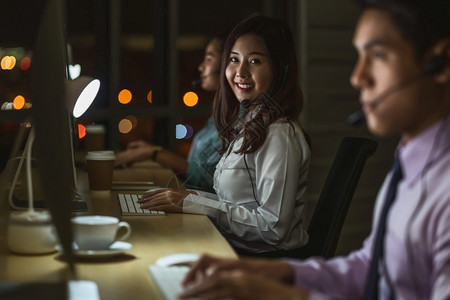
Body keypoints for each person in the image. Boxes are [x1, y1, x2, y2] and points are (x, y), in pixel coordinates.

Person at [178, 0, 450, 299]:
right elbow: (370, 267)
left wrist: (284, 295)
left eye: (378, 55)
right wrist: (281, 273)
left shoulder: (442, 188)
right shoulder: (410, 164)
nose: (357, 77)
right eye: (359, 56)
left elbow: (274, 228)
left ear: (439, 63)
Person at [138, 14, 311, 254]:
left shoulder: (279, 134)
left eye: (255, 61)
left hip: (259, 264)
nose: (240, 72)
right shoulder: (248, 122)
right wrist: (188, 199)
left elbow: (273, 228)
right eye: (234, 59)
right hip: (229, 247)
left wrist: (194, 202)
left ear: (280, 68)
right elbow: (231, 204)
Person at [114, 37, 224, 193]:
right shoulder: (218, 116)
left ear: (227, 64)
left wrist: (152, 153)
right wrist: (152, 150)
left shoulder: (234, 120)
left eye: (209, 59)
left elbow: (204, 178)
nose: (200, 67)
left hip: (206, 212)